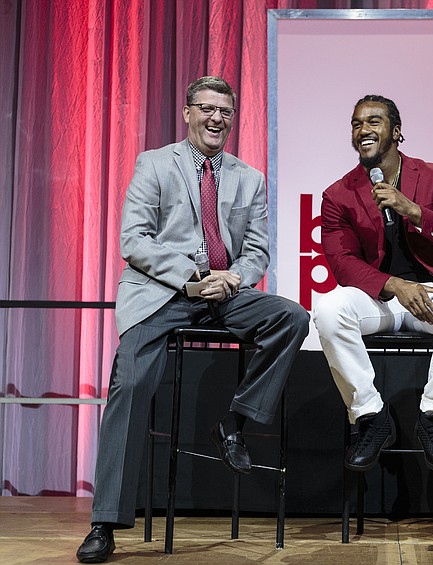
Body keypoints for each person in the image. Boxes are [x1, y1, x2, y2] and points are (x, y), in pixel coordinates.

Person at [76, 76, 309, 563]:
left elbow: (257, 253)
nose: (216, 119)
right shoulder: (155, 163)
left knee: (290, 317)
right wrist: (191, 278)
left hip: (224, 293)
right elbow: (134, 241)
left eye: (225, 111)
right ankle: (105, 523)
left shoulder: (249, 177)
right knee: (132, 384)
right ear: (187, 113)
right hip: (164, 293)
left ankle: (234, 423)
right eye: (207, 109)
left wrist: (229, 279)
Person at [313, 94, 433, 473]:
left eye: (374, 121)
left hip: (430, 290)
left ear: (397, 132)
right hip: (379, 299)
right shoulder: (338, 194)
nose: (363, 130)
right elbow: (342, 264)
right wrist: (394, 285)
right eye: (356, 124)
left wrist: (413, 210)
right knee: (327, 310)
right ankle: (371, 417)